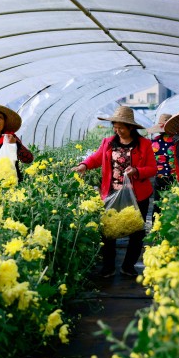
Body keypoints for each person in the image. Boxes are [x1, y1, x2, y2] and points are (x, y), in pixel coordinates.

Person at [72, 106, 156, 278]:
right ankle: (108, 266)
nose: (118, 131)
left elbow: (153, 168)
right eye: (115, 127)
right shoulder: (108, 142)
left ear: (131, 127)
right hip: (112, 193)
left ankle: (128, 266)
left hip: (137, 195)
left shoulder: (144, 144)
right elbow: (96, 157)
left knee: (136, 231)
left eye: (121, 128)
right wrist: (84, 165)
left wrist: (137, 171)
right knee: (108, 230)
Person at [147, 114, 175, 216]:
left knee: (158, 203)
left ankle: (156, 226)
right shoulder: (177, 141)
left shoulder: (153, 142)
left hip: (159, 177)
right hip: (174, 176)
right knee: (172, 202)